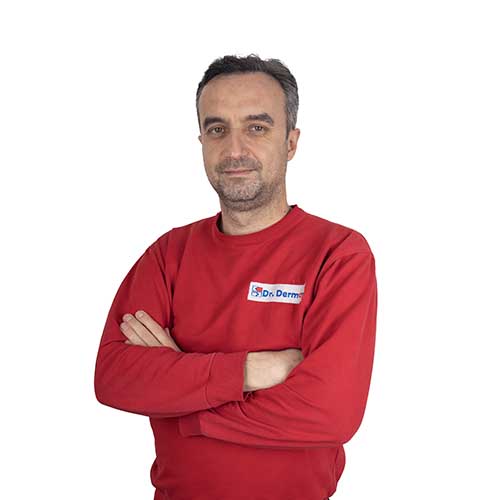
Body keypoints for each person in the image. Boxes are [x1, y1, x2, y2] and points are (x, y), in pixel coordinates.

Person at [94, 53, 378, 500]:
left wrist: (183, 402)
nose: (234, 150)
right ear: (201, 141)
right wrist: (247, 371)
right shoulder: (168, 255)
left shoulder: (339, 254)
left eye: (257, 127)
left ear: (291, 142)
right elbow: (114, 377)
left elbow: (329, 413)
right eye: (217, 129)